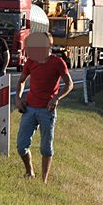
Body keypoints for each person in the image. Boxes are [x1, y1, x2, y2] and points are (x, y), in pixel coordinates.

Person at [15, 31, 74, 183]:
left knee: (46, 148)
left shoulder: (57, 62)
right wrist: (18, 98)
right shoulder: (31, 62)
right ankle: (29, 172)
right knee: (21, 146)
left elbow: (69, 84)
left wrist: (56, 98)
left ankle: (44, 181)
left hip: (47, 110)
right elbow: (21, 81)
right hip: (29, 109)